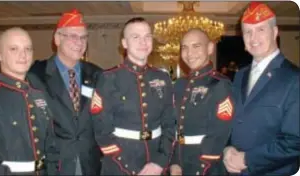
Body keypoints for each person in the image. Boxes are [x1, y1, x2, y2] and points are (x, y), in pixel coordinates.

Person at [89, 17, 176, 175]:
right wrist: (132, 170)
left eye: (147, 36)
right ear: (124, 43)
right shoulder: (108, 78)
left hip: (156, 162)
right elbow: (102, 131)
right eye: (135, 37)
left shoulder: (162, 78)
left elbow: (170, 124)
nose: (143, 42)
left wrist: (159, 162)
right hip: (119, 164)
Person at [223, 2, 300, 175]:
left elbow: (295, 141)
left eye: (260, 29)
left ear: (275, 32)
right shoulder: (240, 75)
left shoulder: (294, 79)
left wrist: (247, 159)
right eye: (247, 31)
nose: (253, 37)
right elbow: (232, 119)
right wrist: (227, 148)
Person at [0, 27, 59, 175]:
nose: (23, 55)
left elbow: (51, 147)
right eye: (14, 49)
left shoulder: (39, 95)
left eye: (28, 49)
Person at [29, 9, 102, 175]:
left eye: (83, 37)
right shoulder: (35, 75)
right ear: (57, 39)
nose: (80, 42)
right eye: (73, 36)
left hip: (90, 164)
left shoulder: (97, 74)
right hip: (54, 165)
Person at [169, 29, 233, 176]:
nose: (189, 53)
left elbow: (219, 133)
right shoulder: (179, 84)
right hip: (180, 162)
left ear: (210, 48)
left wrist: (201, 168)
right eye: (184, 47)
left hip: (207, 166)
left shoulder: (220, 84)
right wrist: (175, 163)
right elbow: (173, 127)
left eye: (196, 46)